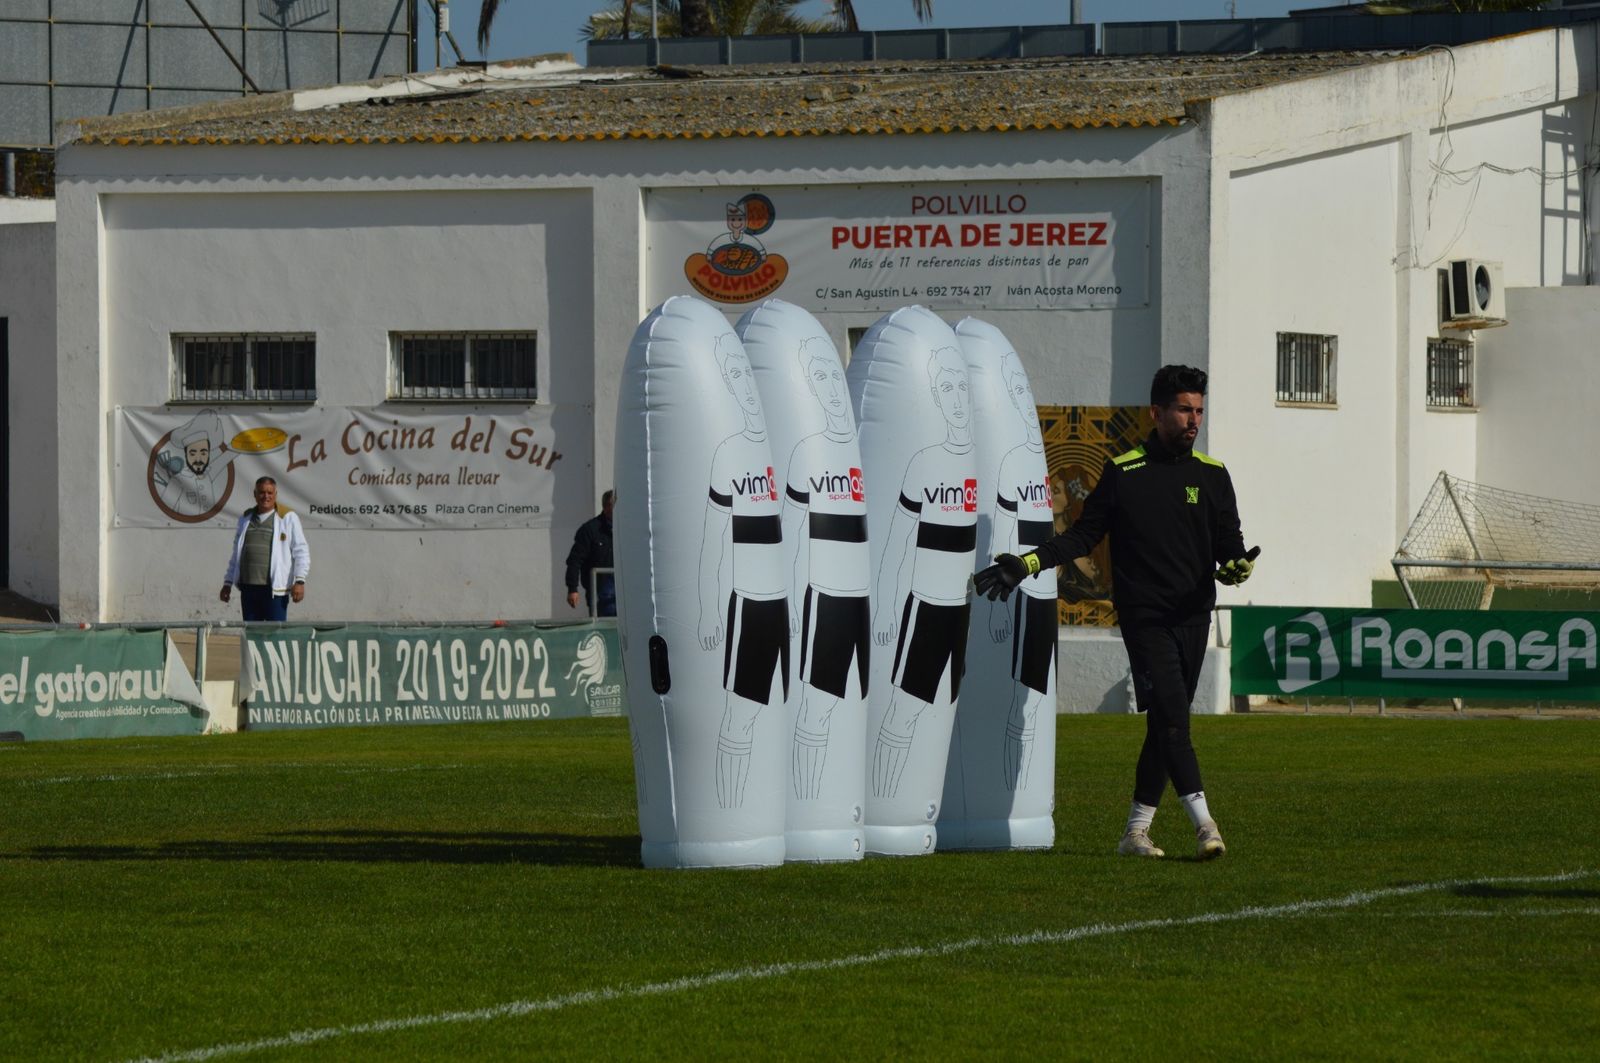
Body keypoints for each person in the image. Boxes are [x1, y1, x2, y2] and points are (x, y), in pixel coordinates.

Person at [974, 365, 1257, 861]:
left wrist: (1235, 567)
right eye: (1184, 410)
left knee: (1165, 726)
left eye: (1199, 411)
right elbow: (1083, 536)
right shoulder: (1124, 472)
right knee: (1174, 719)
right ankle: (1205, 825)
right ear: (1157, 412)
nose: (1194, 420)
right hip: (1146, 618)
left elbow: (1228, 545)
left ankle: (1134, 834)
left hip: (1194, 618)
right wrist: (1028, 562)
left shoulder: (1213, 475)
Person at [220, 477, 310, 622]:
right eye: (261, 492)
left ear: (275, 494)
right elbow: (236, 555)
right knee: (252, 637)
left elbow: (301, 551)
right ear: (254, 494)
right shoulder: (245, 518)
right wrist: (227, 583)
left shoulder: (288, 517)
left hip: (274, 591)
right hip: (248, 590)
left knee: (275, 638)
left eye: (269, 492)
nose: (265, 496)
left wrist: (300, 581)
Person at [565, 490, 616, 617]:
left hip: (624, 591)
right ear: (606, 507)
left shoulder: (627, 528)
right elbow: (575, 560)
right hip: (599, 592)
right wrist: (572, 589)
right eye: (614, 505)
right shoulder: (590, 530)